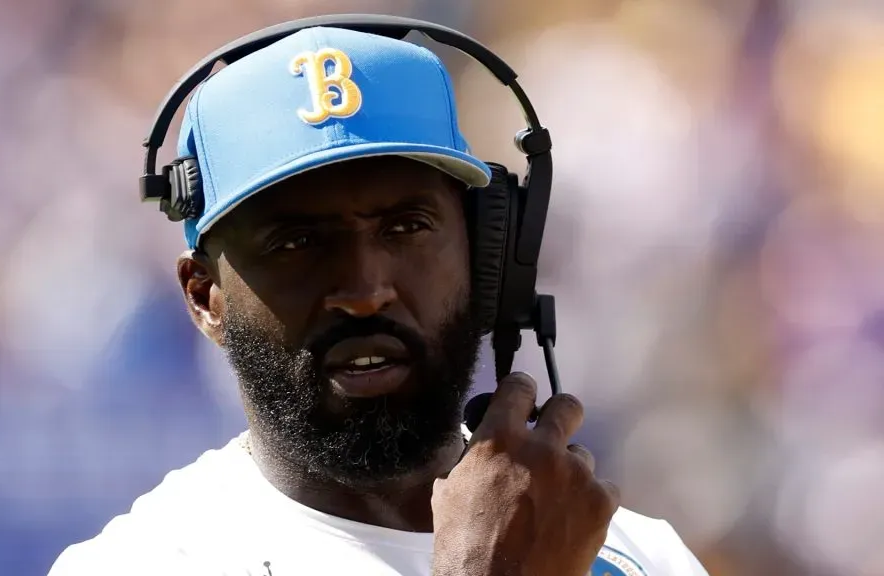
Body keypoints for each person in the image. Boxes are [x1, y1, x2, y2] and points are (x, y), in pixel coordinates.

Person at [47, 22, 709, 576]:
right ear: (205, 296)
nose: (365, 292)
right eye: (298, 242)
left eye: (406, 228)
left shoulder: (640, 556)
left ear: (485, 257)